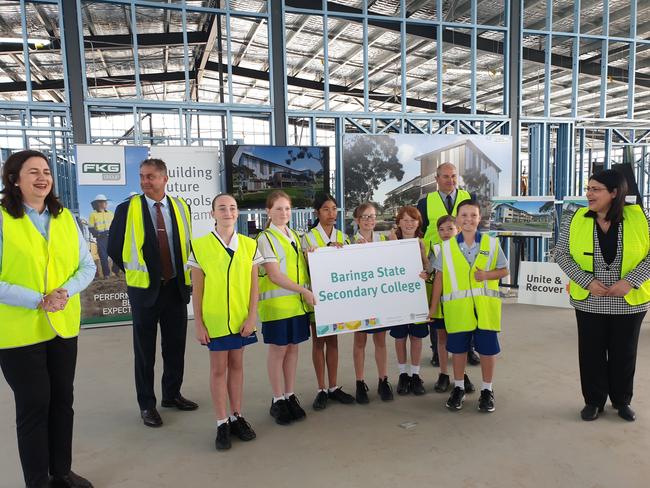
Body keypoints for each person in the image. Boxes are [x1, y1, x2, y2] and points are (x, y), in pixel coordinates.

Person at [0, 150, 96, 488]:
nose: (43, 177)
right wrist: (38, 300)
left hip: (62, 325)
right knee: (34, 405)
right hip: (18, 332)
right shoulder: (2, 218)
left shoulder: (65, 218)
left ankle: (61, 471)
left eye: (46, 171)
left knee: (62, 401)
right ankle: (38, 480)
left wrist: (64, 292)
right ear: (14, 179)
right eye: (32, 172)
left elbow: (88, 266)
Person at [108, 158, 197, 428]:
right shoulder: (127, 209)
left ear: (164, 179)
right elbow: (114, 247)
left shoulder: (182, 207)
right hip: (145, 291)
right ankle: (147, 405)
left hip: (175, 289)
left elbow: (186, 244)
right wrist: (140, 274)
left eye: (150, 177)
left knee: (175, 348)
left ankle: (171, 395)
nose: (145, 181)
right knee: (145, 352)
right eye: (142, 176)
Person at [555, 169, 650, 422]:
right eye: (588, 188)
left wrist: (630, 281)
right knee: (591, 352)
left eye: (595, 189)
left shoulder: (641, 218)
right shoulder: (574, 217)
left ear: (614, 192)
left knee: (624, 352)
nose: (589, 194)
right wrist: (587, 282)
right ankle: (593, 401)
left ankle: (622, 401)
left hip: (629, 302)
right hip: (590, 301)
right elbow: (561, 254)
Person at [190, 194, 260, 450]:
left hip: (242, 319)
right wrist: (198, 322)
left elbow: (254, 287)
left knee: (238, 366)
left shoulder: (250, 246)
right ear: (213, 214)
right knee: (219, 369)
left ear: (238, 213)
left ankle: (237, 416)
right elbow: (197, 290)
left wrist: (252, 316)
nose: (227, 212)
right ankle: (222, 423)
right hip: (216, 321)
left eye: (232, 208)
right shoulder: (200, 246)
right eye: (222, 208)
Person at [429, 200, 509, 413]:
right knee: (458, 350)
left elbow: (504, 271)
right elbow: (439, 279)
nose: (468, 220)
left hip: (485, 308)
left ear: (479, 218)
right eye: (464, 215)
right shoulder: (445, 248)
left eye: (473, 215)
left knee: (487, 350)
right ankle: (458, 387)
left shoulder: (491, 244)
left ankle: (487, 390)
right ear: (457, 219)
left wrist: (487, 275)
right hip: (458, 310)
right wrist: (433, 308)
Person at [257, 190, 315, 425]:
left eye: (287, 208)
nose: (284, 213)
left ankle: (290, 395)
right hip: (278, 306)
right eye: (278, 208)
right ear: (268, 211)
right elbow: (274, 275)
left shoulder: (296, 236)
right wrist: (304, 291)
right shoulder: (265, 238)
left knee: (293, 349)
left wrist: (312, 256)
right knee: (278, 351)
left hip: (296, 306)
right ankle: (277, 399)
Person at [416, 162, 478, 366]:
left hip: (463, 258)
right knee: (438, 306)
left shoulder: (468, 198)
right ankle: (437, 351)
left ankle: (468, 349)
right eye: (445, 176)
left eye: (453, 176)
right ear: (436, 179)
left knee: (466, 303)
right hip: (436, 260)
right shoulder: (425, 202)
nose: (450, 180)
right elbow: (420, 231)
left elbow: (476, 227)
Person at [302, 193, 355, 410]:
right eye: (326, 209)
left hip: (337, 298)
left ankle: (333, 387)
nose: (331, 213)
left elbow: (352, 266)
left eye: (334, 208)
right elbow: (304, 268)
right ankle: (321, 388)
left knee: (333, 342)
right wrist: (313, 255)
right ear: (317, 213)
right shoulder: (308, 238)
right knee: (318, 342)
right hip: (318, 297)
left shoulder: (343, 237)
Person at [350, 202, 394, 403]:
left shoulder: (384, 240)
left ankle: (383, 380)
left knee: (380, 341)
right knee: (360, 341)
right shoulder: (348, 242)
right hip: (359, 299)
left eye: (373, 216)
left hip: (379, 298)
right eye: (365, 216)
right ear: (357, 220)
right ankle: (360, 383)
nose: (369, 220)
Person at [428, 215, 474, 395]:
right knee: (442, 338)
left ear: (459, 230)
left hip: (460, 303)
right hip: (441, 302)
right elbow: (431, 272)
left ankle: (461, 375)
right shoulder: (436, 249)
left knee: (460, 340)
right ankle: (444, 373)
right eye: (441, 229)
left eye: (450, 229)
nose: (446, 233)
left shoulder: (466, 250)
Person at [388, 206, 430, 396]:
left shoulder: (422, 242)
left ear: (418, 223)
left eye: (413, 220)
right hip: (397, 298)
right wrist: (393, 246)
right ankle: (403, 374)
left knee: (416, 337)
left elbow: (429, 268)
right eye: (405, 220)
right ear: (398, 223)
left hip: (417, 296)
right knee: (400, 337)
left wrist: (425, 269)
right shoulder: (391, 241)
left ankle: (415, 374)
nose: (409, 224)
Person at [88, 194, 115, 278]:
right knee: (103, 257)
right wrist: (98, 234)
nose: (103, 204)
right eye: (101, 202)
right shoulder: (93, 214)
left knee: (117, 254)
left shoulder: (111, 213)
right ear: (97, 204)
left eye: (104, 202)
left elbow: (115, 225)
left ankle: (115, 271)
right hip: (101, 238)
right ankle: (106, 274)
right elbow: (91, 228)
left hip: (112, 236)